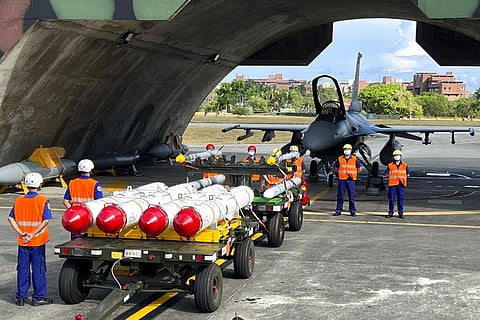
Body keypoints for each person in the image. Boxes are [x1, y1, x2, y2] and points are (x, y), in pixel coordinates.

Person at [8, 172, 53, 306]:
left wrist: (21, 232)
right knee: (38, 268)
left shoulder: (19, 200)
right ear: (39, 184)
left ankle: (20, 297)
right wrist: (32, 234)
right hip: (37, 241)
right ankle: (38, 297)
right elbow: (46, 220)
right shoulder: (43, 200)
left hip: (23, 241)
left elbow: (11, 218)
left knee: (22, 268)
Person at [63, 159, 103, 239]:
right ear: (91, 170)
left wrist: (73, 211)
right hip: (89, 218)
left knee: (75, 243)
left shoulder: (72, 183)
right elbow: (99, 202)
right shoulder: (94, 184)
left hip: (76, 219)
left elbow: (65, 201)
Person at [333, 144, 362, 217]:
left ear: (351, 150)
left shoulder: (355, 159)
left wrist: (353, 174)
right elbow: (336, 168)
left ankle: (352, 211)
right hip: (342, 179)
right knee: (340, 196)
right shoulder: (340, 159)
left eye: (348, 149)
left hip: (351, 180)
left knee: (352, 196)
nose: (346, 151)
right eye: (345, 149)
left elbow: (359, 168)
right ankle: (338, 210)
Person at [384, 150, 410, 219]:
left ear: (400, 156)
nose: (396, 157)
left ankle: (400, 213)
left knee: (400, 199)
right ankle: (390, 212)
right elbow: (386, 174)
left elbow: (408, 174)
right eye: (395, 156)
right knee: (391, 199)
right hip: (392, 184)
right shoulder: (390, 165)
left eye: (398, 155)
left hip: (400, 184)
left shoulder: (405, 165)